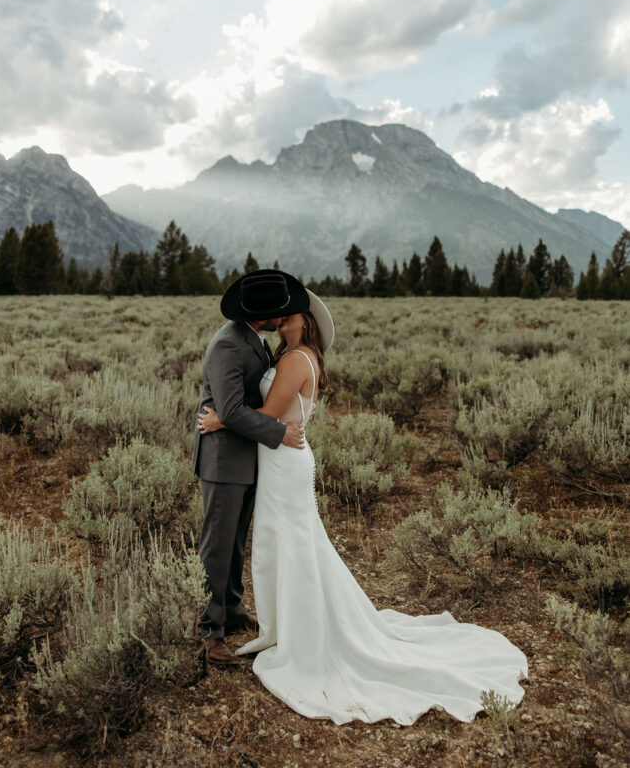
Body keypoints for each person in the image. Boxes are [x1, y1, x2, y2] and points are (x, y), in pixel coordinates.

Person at [197, 288, 528, 725]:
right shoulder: (239, 343)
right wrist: (232, 416)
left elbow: (267, 412)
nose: (283, 316)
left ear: (303, 323)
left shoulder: (293, 357)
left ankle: (261, 618)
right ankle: (216, 626)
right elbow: (256, 408)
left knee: (279, 541)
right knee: (233, 541)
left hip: (277, 458)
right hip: (250, 460)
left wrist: (224, 416)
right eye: (279, 310)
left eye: (291, 313)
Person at [193, 268, 310, 665]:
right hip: (224, 459)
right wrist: (278, 431)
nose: (284, 316)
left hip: (247, 456)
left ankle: (231, 606)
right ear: (263, 316)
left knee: (236, 540)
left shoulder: (255, 339)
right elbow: (229, 410)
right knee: (217, 544)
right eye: (279, 311)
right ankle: (210, 632)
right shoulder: (228, 345)